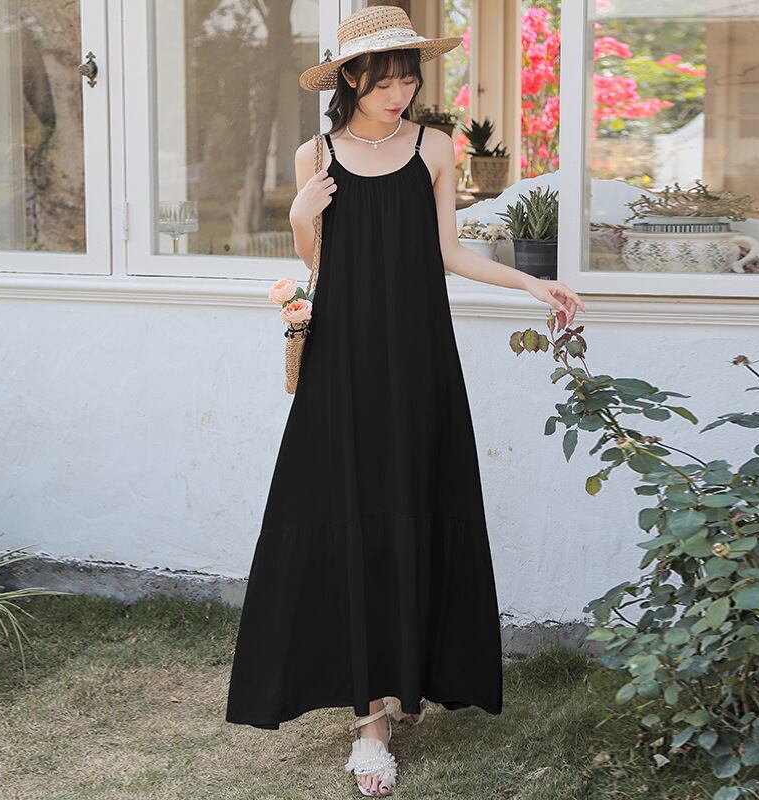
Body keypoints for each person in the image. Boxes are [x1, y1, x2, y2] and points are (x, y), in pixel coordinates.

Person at [225, 6, 585, 797]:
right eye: (384, 79)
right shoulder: (316, 154)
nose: (400, 92)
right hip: (344, 361)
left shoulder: (434, 147)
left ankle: (407, 678)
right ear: (351, 78)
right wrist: (299, 218)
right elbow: (321, 266)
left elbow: (449, 253)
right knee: (353, 512)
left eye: (408, 77)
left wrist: (530, 282)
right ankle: (370, 725)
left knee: (417, 500)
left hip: (421, 356)